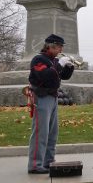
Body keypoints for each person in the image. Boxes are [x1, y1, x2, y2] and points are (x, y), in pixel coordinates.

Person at [27, 34, 74, 174]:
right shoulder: (39, 59)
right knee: (41, 132)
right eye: (59, 46)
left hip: (53, 97)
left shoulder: (53, 60)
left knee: (52, 133)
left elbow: (62, 76)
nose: (61, 49)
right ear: (51, 46)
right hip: (42, 97)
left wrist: (69, 67)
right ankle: (35, 165)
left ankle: (48, 162)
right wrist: (59, 65)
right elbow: (45, 76)